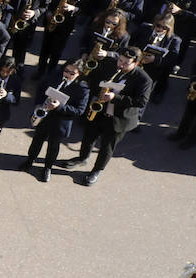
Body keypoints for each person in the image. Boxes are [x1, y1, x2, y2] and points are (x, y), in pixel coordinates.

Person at [63, 46, 154, 186]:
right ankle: (82, 158)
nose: (121, 65)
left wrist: (115, 97)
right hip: (100, 110)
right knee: (88, 136)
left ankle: (96, 171)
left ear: (135, 63)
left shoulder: (144, 79)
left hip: (119, 117)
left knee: (107, 146)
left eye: (126, 63)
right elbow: (95, 78)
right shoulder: (113, 66)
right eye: (120, 60)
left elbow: (141, 102)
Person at [19, 61, 90, 183]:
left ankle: (47, 168)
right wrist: (38, 104)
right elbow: (41, 89)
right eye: (66, 71)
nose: (67, 74)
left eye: (72, 73)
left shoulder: (82, 88)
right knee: (37, 140)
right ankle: (30, 160)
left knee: (53, 146)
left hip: (61, 121)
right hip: (45, 116)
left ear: (79, 74)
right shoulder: (55, 77)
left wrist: (59, 106)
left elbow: (79, 110)